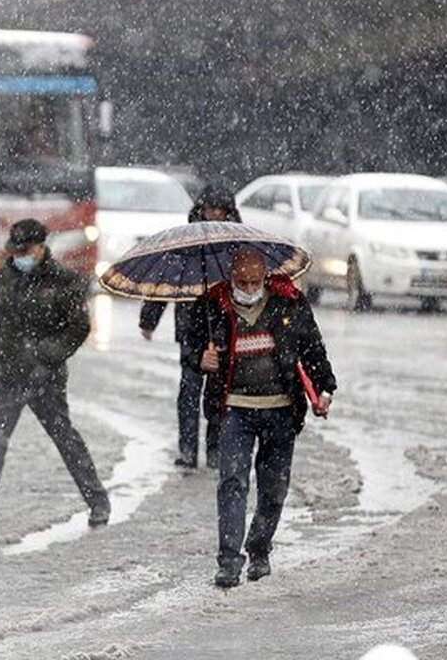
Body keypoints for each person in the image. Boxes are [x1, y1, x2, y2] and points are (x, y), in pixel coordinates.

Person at [184, 248, 336, 588]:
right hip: (233, 410)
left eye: (255, 281)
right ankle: (228, 561)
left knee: (273, 490)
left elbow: (312, 348)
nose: (249, 287)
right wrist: (200, 359)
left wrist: (325, 389)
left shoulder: (289, 302)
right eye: (241, 281)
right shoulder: (212, 306)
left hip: (281, 410)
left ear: (265, 276)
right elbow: (189, 347)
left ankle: (259, 548)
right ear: (231, 277)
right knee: (232, 482)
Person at [0, 218, 111, 527]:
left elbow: (78, 328)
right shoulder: (9, 275)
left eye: (24, 250)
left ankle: (98, 501)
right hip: (10, 375)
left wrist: (45, 355)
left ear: (40, 248)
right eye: (15, 250)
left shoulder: (65, 281)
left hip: (44, 379)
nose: (18, 256)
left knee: (65, 439)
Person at [139, 185, 242, 469]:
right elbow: (165, 283)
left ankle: (215, 449)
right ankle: (188, 450)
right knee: (189, 390)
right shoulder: (185, 247)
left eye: (219, 210)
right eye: (210, 209)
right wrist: (149, 319)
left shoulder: (237, 247)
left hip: (225, 329)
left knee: (219, 393)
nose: (213, 215)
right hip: (190, 328)